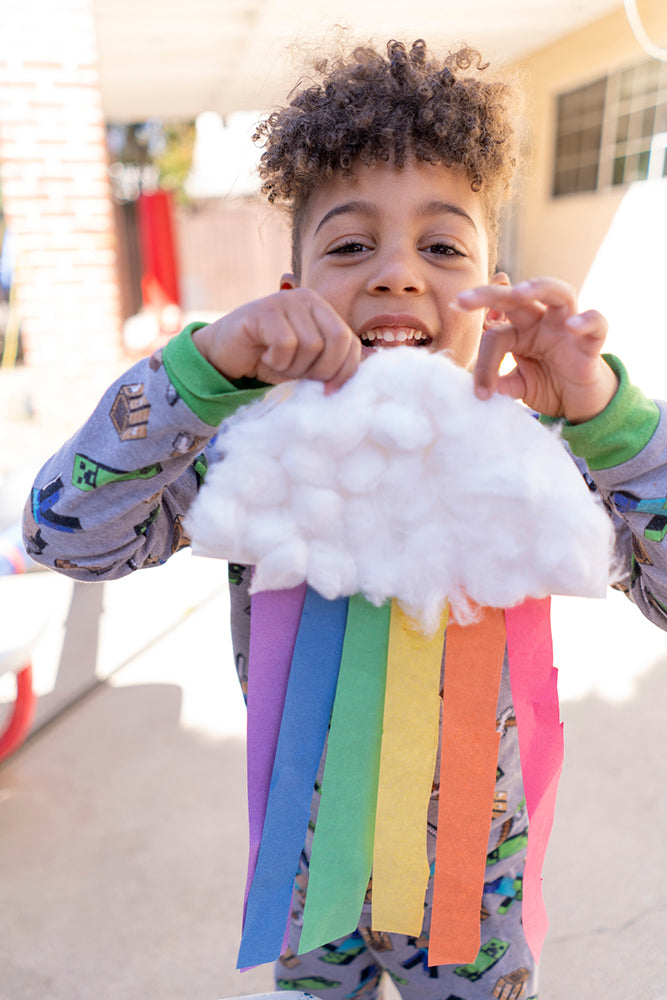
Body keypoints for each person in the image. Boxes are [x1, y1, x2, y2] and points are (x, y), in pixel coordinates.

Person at [23, 38, 667, 1000]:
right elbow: (64, 536)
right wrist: (202, 373)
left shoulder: (530, 463)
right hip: (302, 876)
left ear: (493, 300)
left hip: (468, 900)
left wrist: (607, 417)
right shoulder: (253, 458)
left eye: (443, 247)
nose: (398, 274)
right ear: (289, 297)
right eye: (351, 244)